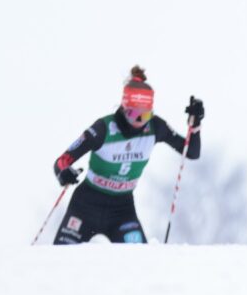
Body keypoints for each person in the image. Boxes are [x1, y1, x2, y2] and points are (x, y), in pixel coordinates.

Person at [51, 66, 204, 245]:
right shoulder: (103, 129)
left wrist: (195, 124)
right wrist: (64, 173)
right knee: (62, 258)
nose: (139, 122)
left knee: (141, 262)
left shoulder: (155, 127)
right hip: (86, 205)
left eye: (145, 115)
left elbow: (191, 151)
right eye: (133, 115)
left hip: (122, 210)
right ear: (124, 108)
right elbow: (62, 161)